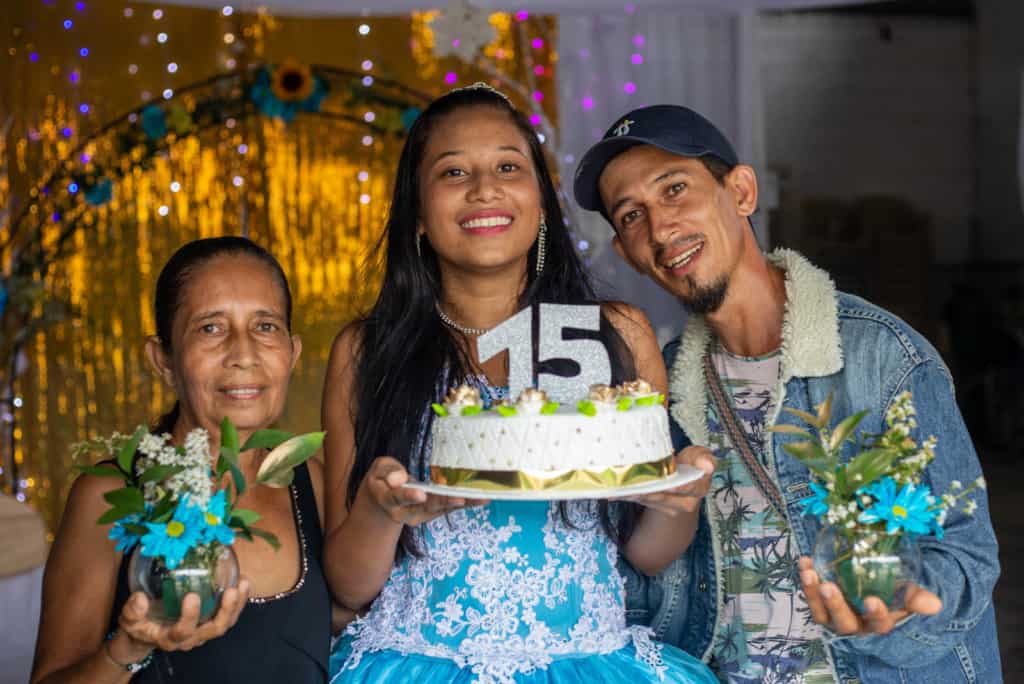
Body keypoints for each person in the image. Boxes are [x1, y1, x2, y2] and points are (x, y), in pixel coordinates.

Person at [572, 104, 1003, 682]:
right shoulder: (664, 388)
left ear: (742, 191)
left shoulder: (884, 358)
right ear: (626, 254)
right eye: (631, 216)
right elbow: (649, 577)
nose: (660, 227)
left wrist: (900, 601)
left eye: (675, 188)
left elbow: (968, 559)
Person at [321, 84, 718, 684]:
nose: (485, 188)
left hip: (592, 663)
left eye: (509, 166)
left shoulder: (615, 334)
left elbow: (648, 551)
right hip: (413, 665)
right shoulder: (368, 351)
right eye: (454, 172)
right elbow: (348, 587)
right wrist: (382, 511)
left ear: (539, 204)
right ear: (419, 216)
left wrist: (679, 502)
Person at [31, 237, 340, 683]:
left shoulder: (312, 482)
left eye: (265, 326)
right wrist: (130, 647)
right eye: (210, 328)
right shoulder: (111, 494)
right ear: (164, 360)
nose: (243, 354)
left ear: (292, 354)